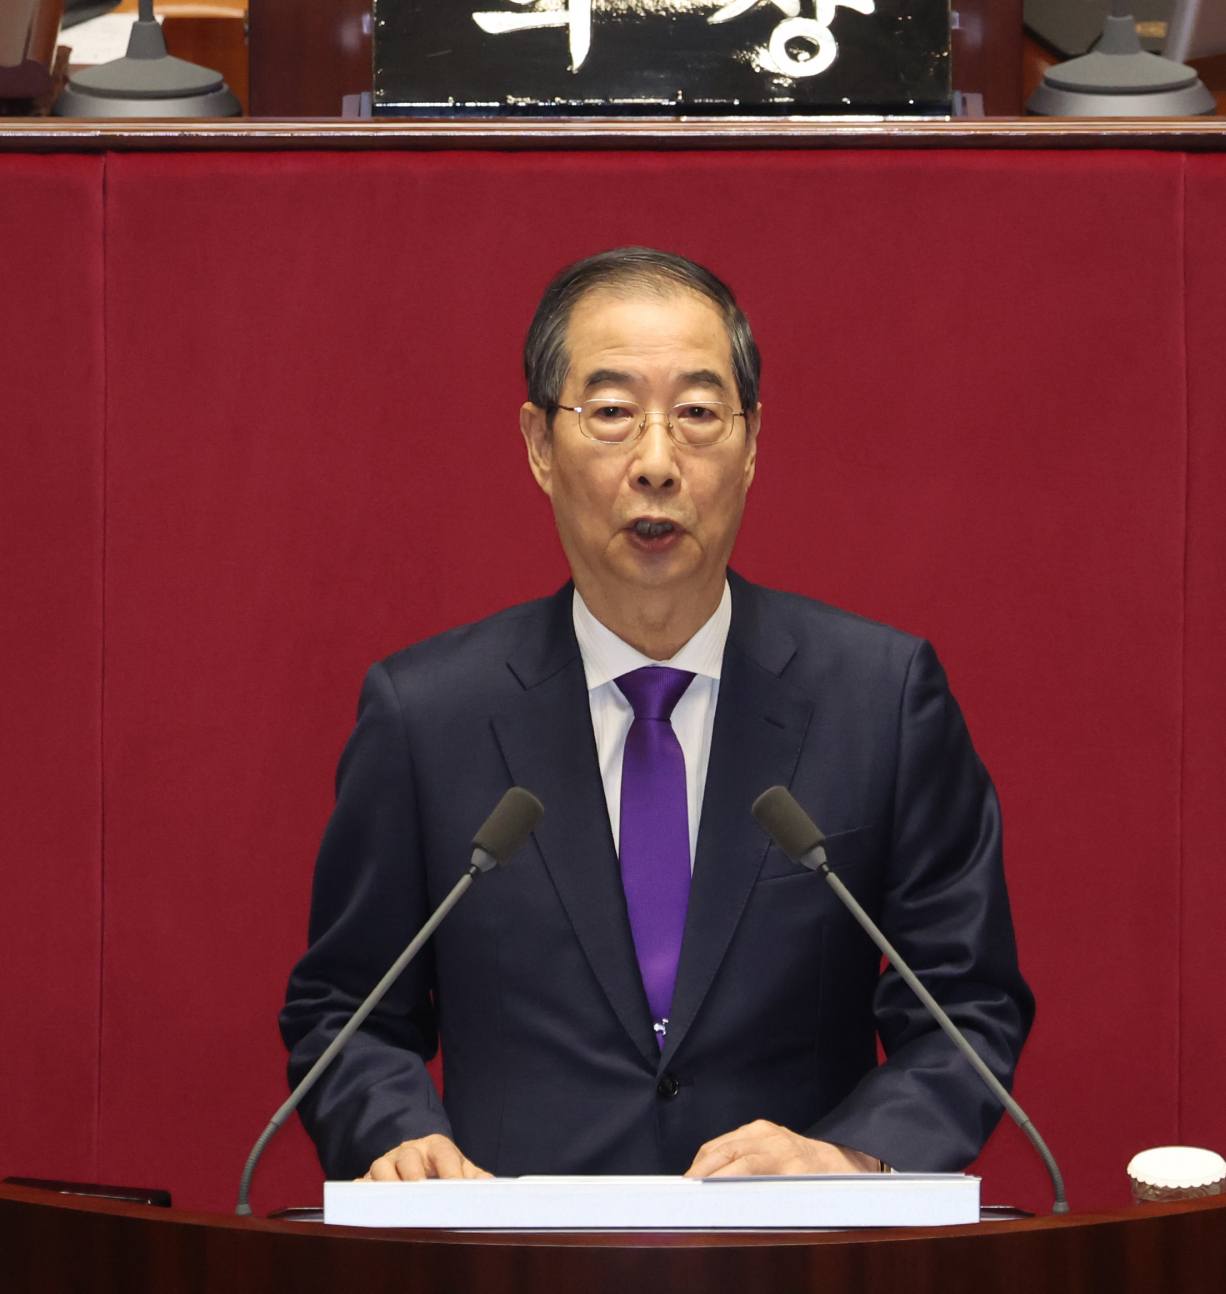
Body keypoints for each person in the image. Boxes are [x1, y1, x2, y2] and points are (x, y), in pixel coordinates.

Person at [280, 248, 1032, 1183]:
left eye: (698, 415)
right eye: (610, 413)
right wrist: (393, 1137)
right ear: (538, 444)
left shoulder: (880, 697)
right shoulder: (427, 715)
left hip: (795, 1262)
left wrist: (855, 1156)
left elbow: (967, 1003)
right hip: (516, 1266)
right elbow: (344, 1012)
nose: (657, 463)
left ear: (753, 442)